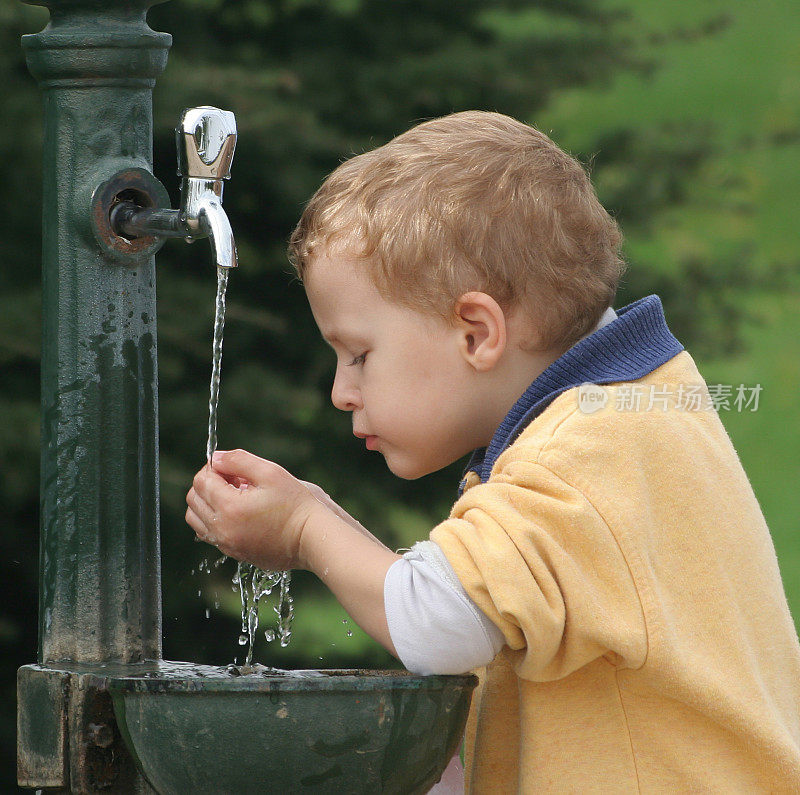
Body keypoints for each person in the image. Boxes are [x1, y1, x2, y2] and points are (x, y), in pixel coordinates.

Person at [186, 111, 800, 791]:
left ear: (476, 332)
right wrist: (320, 509)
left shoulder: (577, 458)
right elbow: (461, 600)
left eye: (359, 354)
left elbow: (437, 624)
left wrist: (306, 527)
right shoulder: (635, 403)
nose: (341, 391)